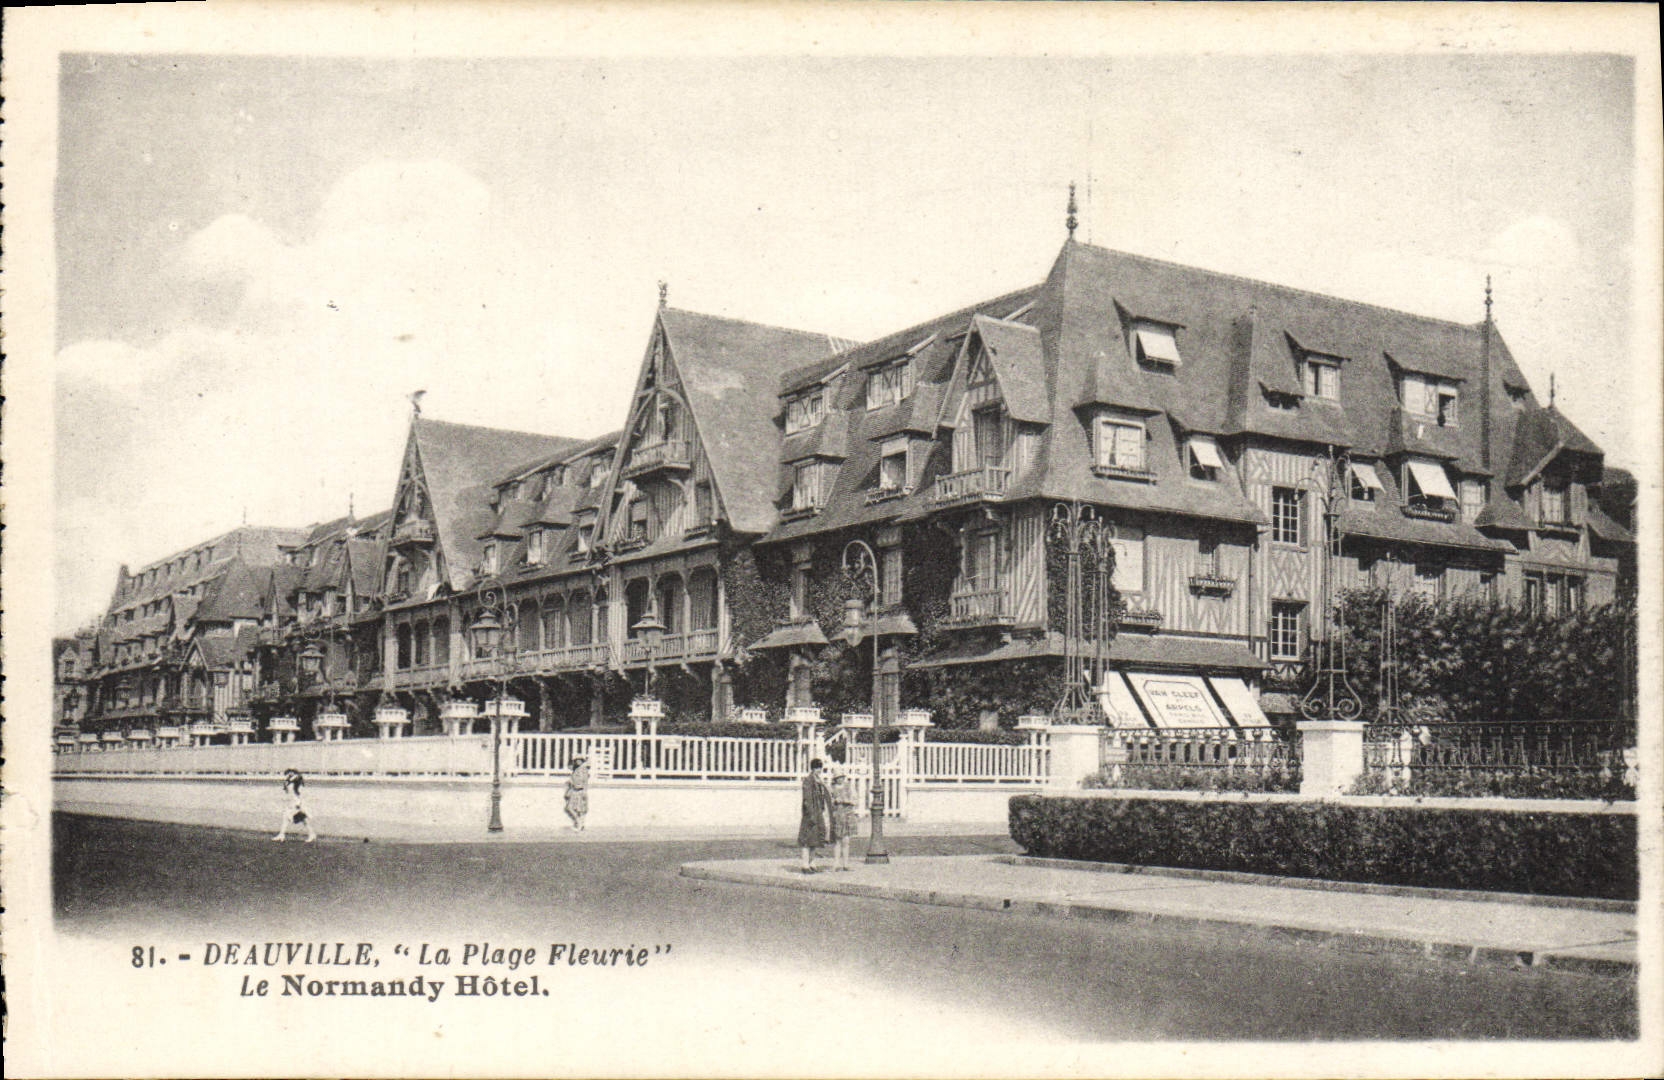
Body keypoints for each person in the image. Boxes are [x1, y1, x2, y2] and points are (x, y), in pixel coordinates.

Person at [797, 757, 835, 873]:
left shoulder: (819, 782)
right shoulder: (808, 781)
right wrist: (810, 813)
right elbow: (807, 799)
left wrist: (823, 784)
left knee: (815, 840)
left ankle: (812, 863)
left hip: (818, 812)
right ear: (812, 768)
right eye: (817, 768)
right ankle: (805, 865)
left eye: (820, 768)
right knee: (807, 840)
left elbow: (828, 794)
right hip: (810, 813)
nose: (819, 770)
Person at [272, 768, 316, 842]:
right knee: (301, 818)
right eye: (289, 772)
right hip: (292, 801)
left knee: (288, 817)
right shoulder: (289, 781)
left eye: (292, 772)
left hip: (297, 801)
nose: (290, 773)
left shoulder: (297, 780)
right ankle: (311, 834)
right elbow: (287, 791)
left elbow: (300, 792)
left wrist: (299, 803)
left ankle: (282, 834)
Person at [828, 769, 857, 871]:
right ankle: (836, 864)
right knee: (838, 841)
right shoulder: (832, 789)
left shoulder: (849, 787)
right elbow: (828, 802)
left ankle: (846, 864)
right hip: (838, 816)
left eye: (841, 777)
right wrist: (835, 801)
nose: (840, 779)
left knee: (846, 840)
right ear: (835, 779)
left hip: (848, 815)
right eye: (838, 778)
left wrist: (848, 801)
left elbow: (855, 799)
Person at [564, 755, 590, 831]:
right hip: (574, 790)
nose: (577, 761)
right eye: (576, 760)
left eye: (579, 760)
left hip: (580, 791)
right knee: (570, 808)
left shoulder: (583, 770)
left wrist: (584, 791)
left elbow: (585, 781)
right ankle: (579, 823)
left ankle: (579, 824)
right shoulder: (576, 770)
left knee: (580, 809)